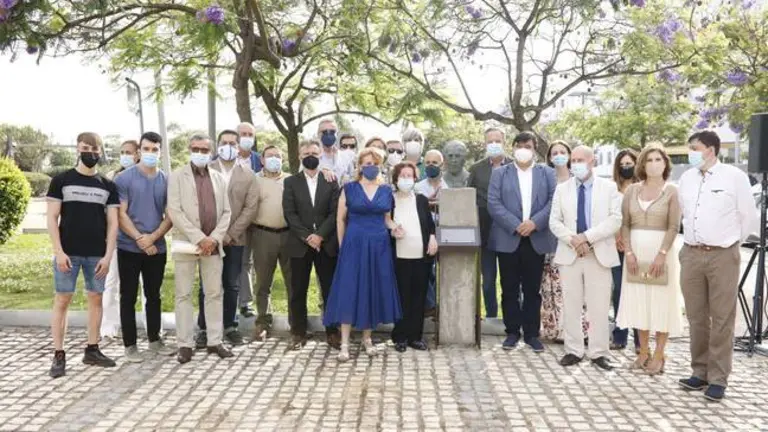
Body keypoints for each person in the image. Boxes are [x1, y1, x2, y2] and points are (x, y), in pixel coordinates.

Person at [677, 130, 755, 402]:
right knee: (696, 316)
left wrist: (730, 244)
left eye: (695, 148)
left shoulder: (734, 177)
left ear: (710, 150)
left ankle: (718, 378)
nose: (691, 152)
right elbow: (685, 214)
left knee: (722, 317)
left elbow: (748, 216)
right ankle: (699, 371)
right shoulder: (686, 178)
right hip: (691, 254)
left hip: (722, 255)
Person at [47, 132, 119, 378]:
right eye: (86, 148)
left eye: (95, 149)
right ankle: (59, 354)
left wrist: (108, 256)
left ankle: (92, 349)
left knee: (96, 298)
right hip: (67, 253)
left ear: (101, 152)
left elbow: (113, 223)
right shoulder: (61, 180)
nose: (91, 153)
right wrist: (58, 252)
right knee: (62, 300)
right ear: (78, 149)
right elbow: (52, 218)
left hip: (96, 255)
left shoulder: (108, 186)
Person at [324, 148, 402, 361]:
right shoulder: (348, 189)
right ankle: (345, 342)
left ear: (380, 165)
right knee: (349, 288)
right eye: (367, 163)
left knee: (372, 287)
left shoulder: (386, 190)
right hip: (354, 243)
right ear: (359, 166)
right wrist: (343, 245)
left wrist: (395, 227)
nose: (370, 167)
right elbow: (340, 219)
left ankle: (367, 338)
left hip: (379, 245)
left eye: (374, 163)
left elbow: (387, 218)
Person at [549, 145, 622, 371]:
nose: (576, 164)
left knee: (599, 305)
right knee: (571, 304)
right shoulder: (562, 189)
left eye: (581, 160)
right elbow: (554, 222)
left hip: (598, 253)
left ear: (593, 162)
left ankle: (599, 352)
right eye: (574, 160)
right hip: (570, 253)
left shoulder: (609, 187)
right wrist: (574, 240)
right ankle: (573, 350)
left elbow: (615, 220)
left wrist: (587, 238)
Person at [616, 146, 683, 375]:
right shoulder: (632, 190)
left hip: (661, 255)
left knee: (661, 303)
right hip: (635, 255)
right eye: (649, 160)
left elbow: (673, 226)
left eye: (658, 159)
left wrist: (662, 254)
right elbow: (625, 224)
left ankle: (659, 354)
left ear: (665, 163)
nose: (654, 164)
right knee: (639, 302)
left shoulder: (672, 191)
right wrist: (629, 252)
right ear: (642, 164)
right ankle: (643, 351)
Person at [167, 134, 233, 364]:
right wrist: (199, 238)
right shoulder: (177, 176)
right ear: (189, 149)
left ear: (211, 152)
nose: (200, 153)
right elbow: (174, 211)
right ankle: (185, 344)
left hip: (212, 246)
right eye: (196, 149)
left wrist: (213, 239)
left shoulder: (219, 178)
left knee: (214, 293)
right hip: (187, 244)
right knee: (183, 294)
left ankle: (215, 340)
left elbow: (226, 212)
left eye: (204, 150)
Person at [488, 131, 556, 352]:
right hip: (509, 237)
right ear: (513, 148)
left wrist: (534, 223)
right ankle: (512, 332)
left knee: (532, 290)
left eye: (528, 146)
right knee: (509, 288)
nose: (523, 150)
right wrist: (515, 224)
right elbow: (493, 203)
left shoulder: (547, 173)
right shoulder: (500, 173)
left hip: (536, 237)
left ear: (535, 149)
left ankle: (531, 334)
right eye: (519, 146)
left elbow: (553, 201)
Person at [195, 130, 259, 348]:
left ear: (239, 147)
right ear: (217, 146)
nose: (229, 147)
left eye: (233, 143)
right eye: (224, 142)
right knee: (207, 285)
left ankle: (230, 326)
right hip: (208, 238)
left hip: (235, 239)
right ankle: (205, 328)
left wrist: (231, 233)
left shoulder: (248, 175)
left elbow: (250, 208)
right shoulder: (204, 170)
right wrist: (212, 236)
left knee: (232, 284)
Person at [115, 132, 175, 362]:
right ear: (139, 151)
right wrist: (141, 239)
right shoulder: (124, 179)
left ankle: (154, 340)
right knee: (128, 296)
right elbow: (121, 214)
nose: (150, 153)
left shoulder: (166, 180)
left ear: (160, 152)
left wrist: (154, 238)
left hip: (156, 249)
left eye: (155, 149)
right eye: (146, 149)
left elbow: (170, 215)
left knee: (154, 295)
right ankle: (130, 346)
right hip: (128, 248)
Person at [283, 140, 341, 350]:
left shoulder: (331, 180)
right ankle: (298, 332)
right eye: (306, 153)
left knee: (329, 289)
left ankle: (332, 331)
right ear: (299, 156)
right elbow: (290, 213)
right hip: (300, 244)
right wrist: (308, 236)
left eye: (315, 153)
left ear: (320, 156)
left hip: (326, 244)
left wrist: (320, 236)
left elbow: (335, 212)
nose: (310, 156)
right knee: (298, 290)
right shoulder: (291, 182)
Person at [390, 161, 438, 352]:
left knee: (419, 297)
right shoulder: (390, 200)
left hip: (421, 256)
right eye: (402, 176)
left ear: (415, 178)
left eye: (409, 176)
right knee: (402, 297)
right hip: (399, 256)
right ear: (396, 179)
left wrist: (432, 238)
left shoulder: (421, 200)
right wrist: (392, 231)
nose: (406, 179)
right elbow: (385, 223)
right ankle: (400, 336)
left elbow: (430, 224)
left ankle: (415, 337)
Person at [540, 140, 584, 342]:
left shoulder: (578, 179)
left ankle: (578, 330)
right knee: (552, 285)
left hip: (574, 240)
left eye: (562, 152)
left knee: (575, 287)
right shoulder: (544, 179)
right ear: (549, 157)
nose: (558, 155)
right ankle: (555, 329)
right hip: (549, 241)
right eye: (554, 153)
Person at [468, 127, 512, 318]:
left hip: (510, 234)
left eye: (497, 141)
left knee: (511, 281)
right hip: (485, 234)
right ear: (485, 144)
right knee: (487, 281)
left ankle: (511, 319)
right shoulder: (476, 169)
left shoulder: (515, 166)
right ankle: (491, 317)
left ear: (504, 142)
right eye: (490, 141)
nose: (494, 144)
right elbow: (468, 198)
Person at [250, 145, 293, 341]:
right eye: (270, 156)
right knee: (263, 282)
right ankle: (263, 322)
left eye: (278, 156)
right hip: (263, 235)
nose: (274, 159)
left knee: (293, 281)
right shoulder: (254, 180)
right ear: (262, 159)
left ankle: (295, 322)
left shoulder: (290, 180)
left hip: (289, 235)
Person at [101, 139, 139, 339]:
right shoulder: (111, 177)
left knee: (145, 287)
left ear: (138, 154)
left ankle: (152, 327)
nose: (125, 156)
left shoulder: (145, 176)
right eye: (122, 152)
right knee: (111, 283)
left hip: (141, 239)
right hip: (116, 239)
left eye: (129, 152)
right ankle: (109, 326)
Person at [611, 149, 641, 351]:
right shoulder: (612, 188)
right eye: (622, 165)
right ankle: (620, 335)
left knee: (638, 290)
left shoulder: (642, 188)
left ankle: (640, 339)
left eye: (629, 164)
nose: (626, 167)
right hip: (616, 246)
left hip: (637, 245)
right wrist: (617, 237)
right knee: (619, 291)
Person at [415, 149, 448, 315]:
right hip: (425, 231)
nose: (430, 166)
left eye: (434, 163)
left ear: (442, 165)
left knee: (442, 270)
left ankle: (440, 305)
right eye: (427, 163)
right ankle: (430, 305)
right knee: (427, 269)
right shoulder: (417, 187)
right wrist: (428, 204)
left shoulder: (448, 187)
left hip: (445, 229)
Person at [235, 122, 261, 318]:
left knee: (248, 262)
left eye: (250, 134)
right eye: (243, 134)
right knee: (231, 262)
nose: (246, 137)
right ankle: (231, 301)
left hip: (255, 219)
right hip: (231, 220)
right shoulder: (221, 159)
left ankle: (246, 303)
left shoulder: (260, 160)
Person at [316, 119, 355, 184]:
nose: (329, 135)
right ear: (318, 134)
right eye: (325, 132)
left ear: (337, 134)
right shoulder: (310, 157)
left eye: (332, 132)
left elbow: (353, 178)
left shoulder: (346, 157)